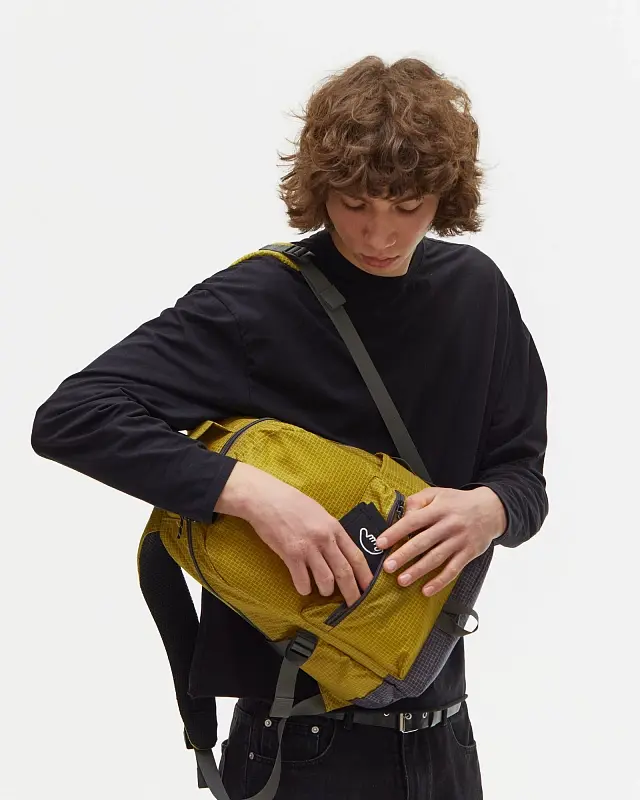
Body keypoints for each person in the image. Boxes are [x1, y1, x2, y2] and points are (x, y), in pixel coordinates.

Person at [31, 55, 548, 799]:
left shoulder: (478, 294)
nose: (378, 232)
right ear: (320, 185)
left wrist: (489, 510)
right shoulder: (258, 303)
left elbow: (524, 478)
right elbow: (74, 415)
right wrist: (251, 495)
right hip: (296, 745)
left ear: (446, 193)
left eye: (408, 205)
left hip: (445, 737)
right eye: (354, 201)